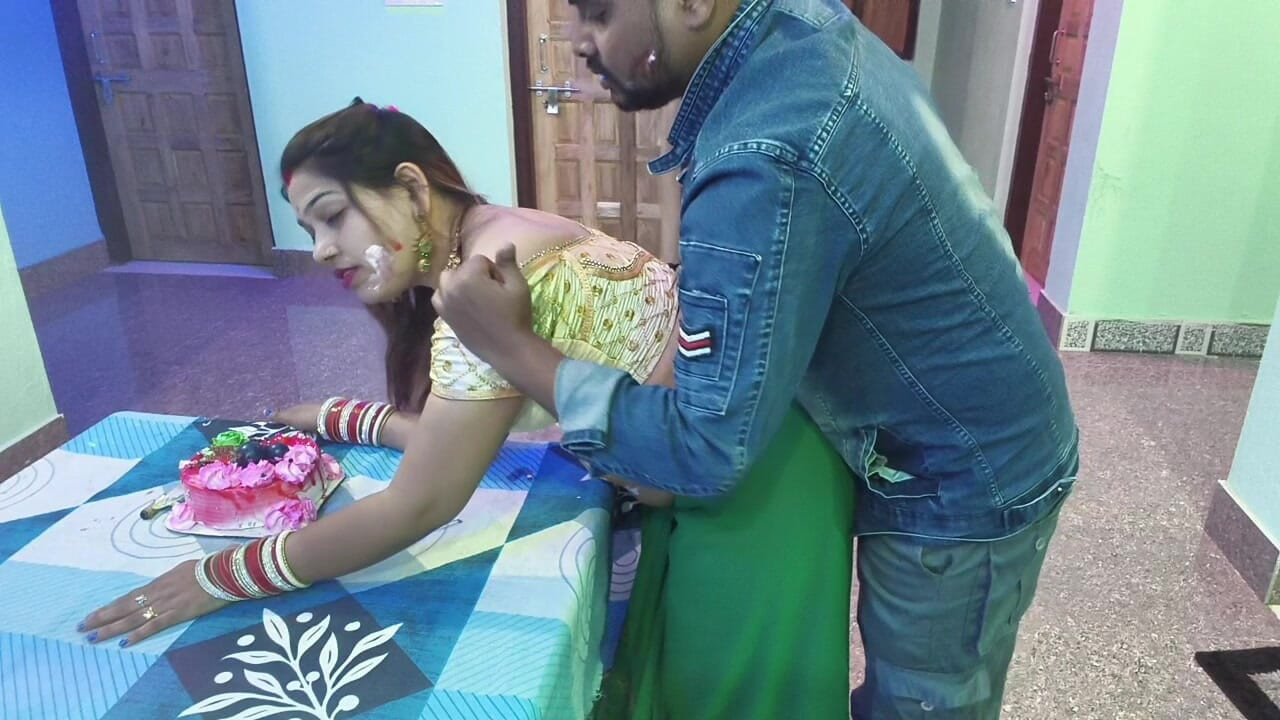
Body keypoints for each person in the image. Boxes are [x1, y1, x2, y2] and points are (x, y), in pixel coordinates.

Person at [78, 101, 855, 718]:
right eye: (308, 228)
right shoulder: (499, 233)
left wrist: (222, 575)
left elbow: (420, 503)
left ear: (414, 189)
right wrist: (351, 418)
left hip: (753, 494)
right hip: (747, 457)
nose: (319, 249)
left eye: (332, 214)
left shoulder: (484, 278)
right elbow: (458, 441)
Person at [431, 1, 1080, 717]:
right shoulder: (800, 33)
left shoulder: (764, 152)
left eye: (600, 12)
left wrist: (508, 345)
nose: (579, 42)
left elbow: (704, 448)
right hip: (967, 418)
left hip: (968, 473)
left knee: (922, 703)